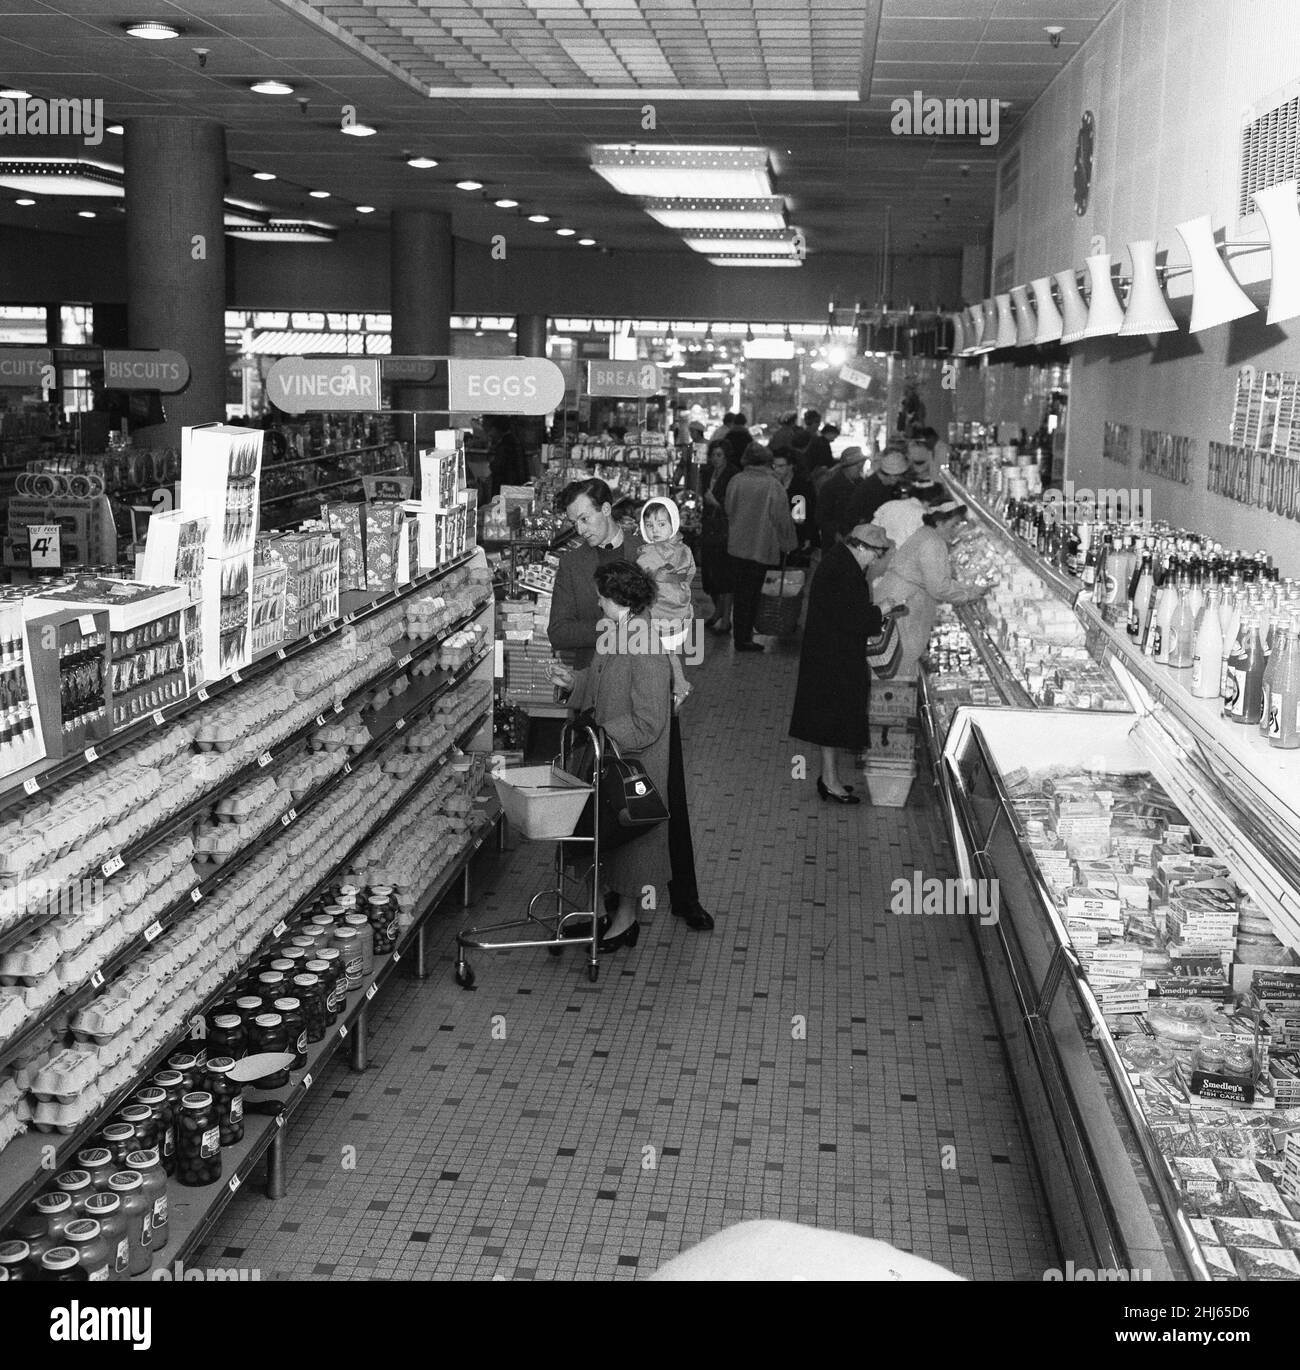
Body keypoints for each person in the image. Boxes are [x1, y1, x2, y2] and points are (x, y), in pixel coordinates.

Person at [548, 478, 715, 932]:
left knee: (657, 799)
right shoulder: (573, 563)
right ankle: (603, 907)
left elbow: (681, 613)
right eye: (573, 521)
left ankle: (681, 895)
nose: (579, 528)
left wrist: (676, 671)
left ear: (608, 510)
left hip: (645, 698)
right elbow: (560, 632)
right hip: (596, 690)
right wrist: (610, 633)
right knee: (603, 808)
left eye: (585, 517)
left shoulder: (649, 549)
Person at [546, 561, 670, 953]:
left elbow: (649, 720)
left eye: (601, 594)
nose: (597, 601)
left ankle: (626, 919)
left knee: (632, 845)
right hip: (608, 758)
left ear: (617, 598)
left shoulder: (646, 645)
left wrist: (604, 736)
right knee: (603, 836)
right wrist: (572, 683)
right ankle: (597, 911)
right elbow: (596, 683)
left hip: (636, 765)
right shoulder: (615, 634)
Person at [789, 522, 902, 804]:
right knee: (833, 719)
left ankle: (830, 778)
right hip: (834, 658)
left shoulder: (840, 561)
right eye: (875, 555)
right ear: (862, 547)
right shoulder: (845, 571)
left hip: (828, 653)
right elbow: (853, 619)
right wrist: (882, 609)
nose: (875, 561)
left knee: (829, 721)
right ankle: (830, 781)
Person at [873, 502, 994, 679]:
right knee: (898, 664)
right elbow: (939, 587)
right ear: (938, 523)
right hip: (903, 606)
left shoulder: (925, 534)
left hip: (897, 598)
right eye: (953, 525)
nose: (955, 531)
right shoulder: (933, 542)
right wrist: (970, 593)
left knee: (891, 659)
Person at [724, 443, 797, 653]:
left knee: (741, 594)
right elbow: (782, 519)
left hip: (737, 546)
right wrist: (789, 544)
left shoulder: (736, 480)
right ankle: (745, 638)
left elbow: (729, 509)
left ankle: (740, 636)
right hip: (761, 546)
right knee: (753, 594)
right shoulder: (773, 485)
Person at [636, 496, 695, 708]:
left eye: (661, 524)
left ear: (673, 523)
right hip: (682, 612)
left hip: (660, 614)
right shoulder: (684, 548)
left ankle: (679, 687)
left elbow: (639, 579)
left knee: (662, 654)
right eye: (649, 525)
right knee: (669, 652)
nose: (654, 530)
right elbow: (691, 573)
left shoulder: (649, 553)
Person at [700, 441, 740, 634]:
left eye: (719, 455)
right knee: (710, 573)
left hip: (724, 528)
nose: (715, 459)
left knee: (724, 573)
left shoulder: (733, 475)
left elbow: (734, 505)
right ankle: (718, 611)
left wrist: (715, 503)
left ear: (726, 456)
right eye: (713, 455)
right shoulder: (707, 472)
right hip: (709, 526)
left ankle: (725, 617)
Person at [815, 446, 869, 553]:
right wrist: (835, 533)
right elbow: (821, 516)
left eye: (861, 466)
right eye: (857, 467)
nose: (860, 470)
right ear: (846, 467)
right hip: (835, 542)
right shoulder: (830, 487)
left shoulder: (862, 484)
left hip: (857, 539)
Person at [771, 451, 817, 560]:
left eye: (781, 466)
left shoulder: (800, 486)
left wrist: (808, 536)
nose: (776, 470)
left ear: (791, 466)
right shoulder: (772, 484)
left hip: (796, 535)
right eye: (774, 466)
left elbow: (803, 515)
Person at [849, 447, 910, 525]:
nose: (900, 479)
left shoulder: (882, 483)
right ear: (893, 476)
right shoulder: (872, 489)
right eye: (900, 476)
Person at [484, 415, 527, 493]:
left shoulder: (504, 445)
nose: (490, 433)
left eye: (492, 429)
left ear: (497, 429)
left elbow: (497, 467)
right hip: (517, 485)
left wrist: (491, 463)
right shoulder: (516, 441)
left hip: (505, 487)